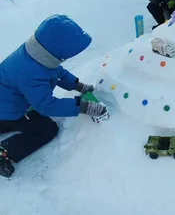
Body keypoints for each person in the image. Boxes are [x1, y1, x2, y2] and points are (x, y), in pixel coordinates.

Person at [0, 14, 108, 178]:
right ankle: (5, 151)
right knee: (47, 129)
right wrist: (84, 107)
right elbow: (46, 105)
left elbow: (58, 73)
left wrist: (78, 86)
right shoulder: (29, 73)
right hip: (12, 110)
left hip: (7, 100)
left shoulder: (37, 54)